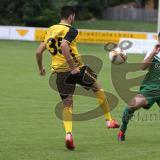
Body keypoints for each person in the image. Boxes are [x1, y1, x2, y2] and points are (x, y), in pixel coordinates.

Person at [35, 6, 119, 150]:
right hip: (77, 68)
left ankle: (68, 134)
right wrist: (72, 67)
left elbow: (38, 52)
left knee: (68, 105)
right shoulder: (71, 30)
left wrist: (41, 68)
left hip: (59, 73)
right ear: (71, 16)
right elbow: (64, 45)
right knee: (98, 87)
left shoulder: (50, 30)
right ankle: (109, 120)